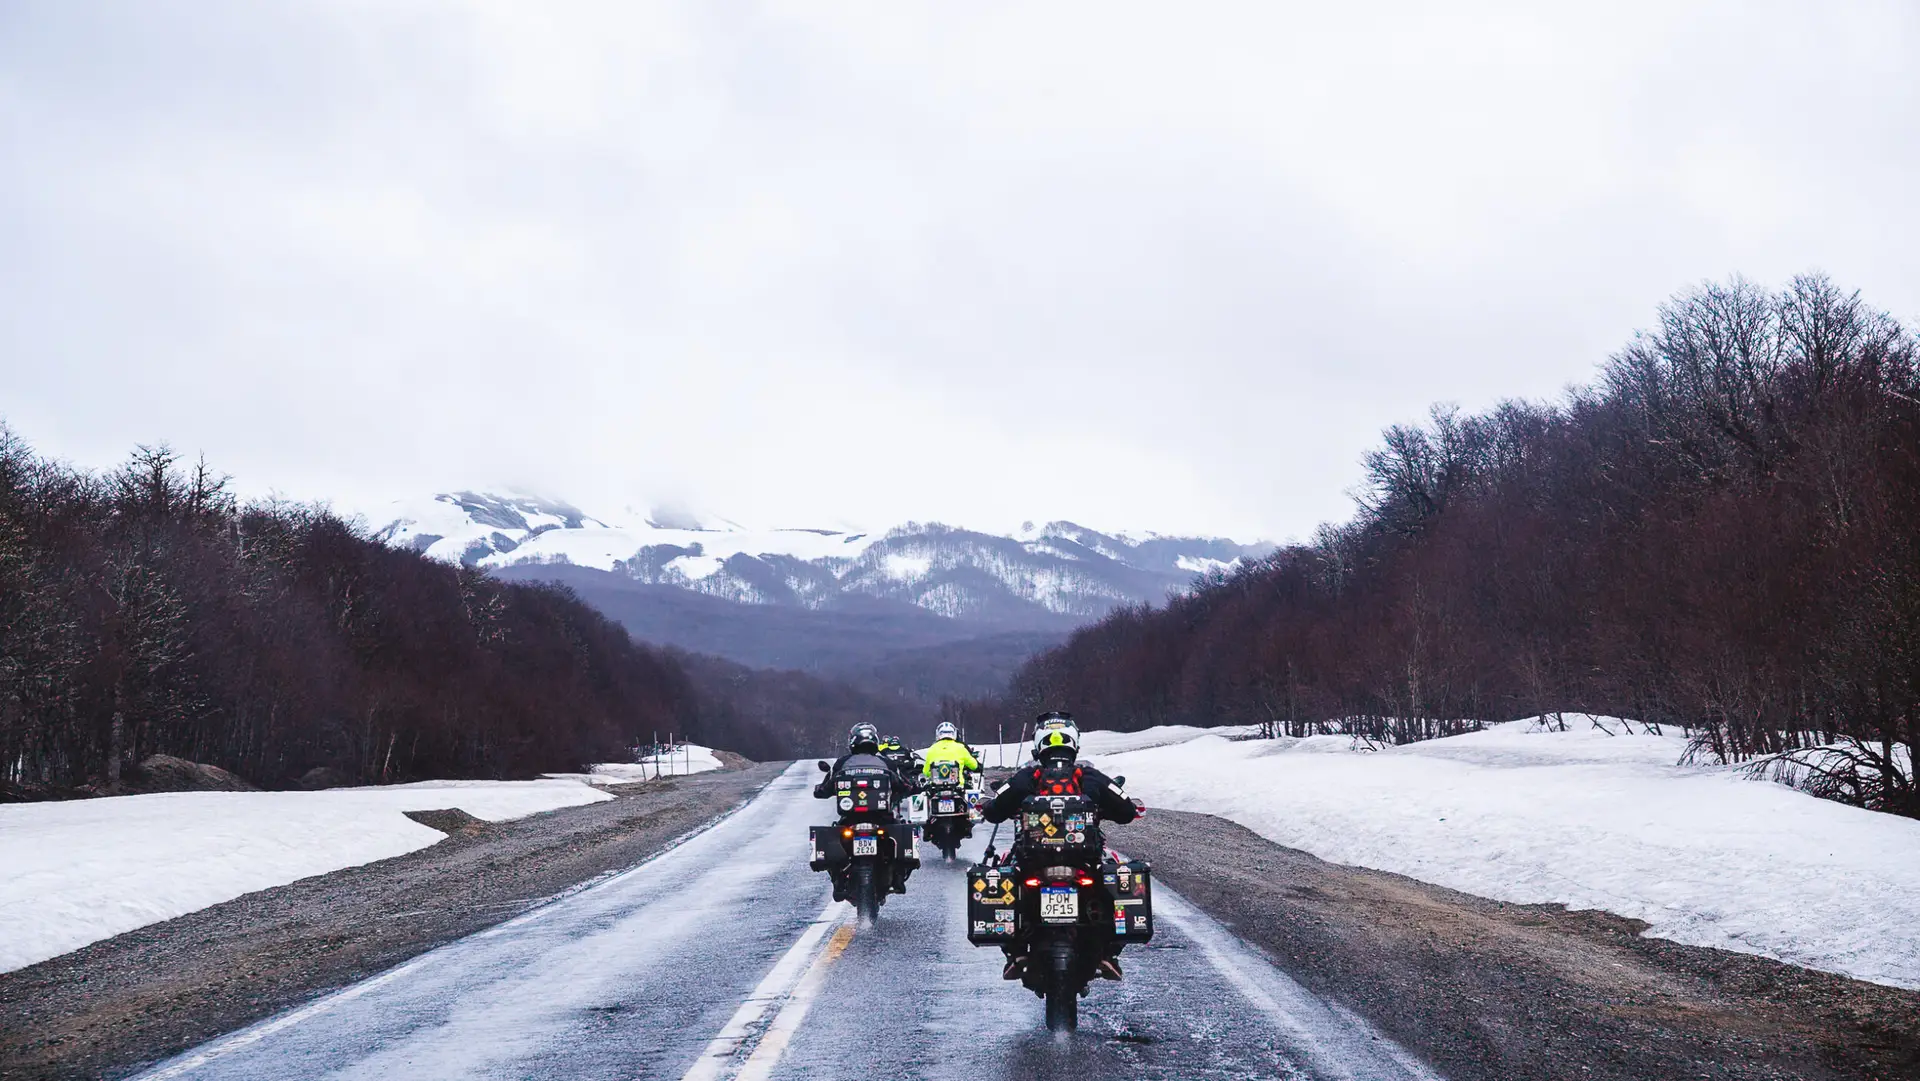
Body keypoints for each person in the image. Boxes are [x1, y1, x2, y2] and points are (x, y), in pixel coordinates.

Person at [981, 711, 1141, 980]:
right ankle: (1108, 954)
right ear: (1074, 743)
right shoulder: (1089, 775)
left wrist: (990, 804)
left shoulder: (1027, 776)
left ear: (1039, 744)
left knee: (1002, 875)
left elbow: (994, 811)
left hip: (1033, 861)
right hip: (1084, 861)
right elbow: (1126, 811)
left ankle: (1016, 953)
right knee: (1117, 877)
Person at [921, 721, 982, 788]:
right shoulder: (960, 747)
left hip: (936, 788)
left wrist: (937, 774)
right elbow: (974, 766)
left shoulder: (932, 749)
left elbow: (926, 772)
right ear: (954, 733)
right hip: (958, 787)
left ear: (938, 734)